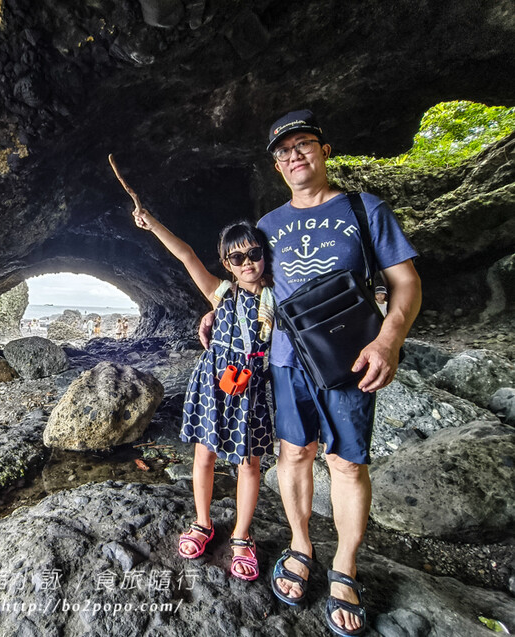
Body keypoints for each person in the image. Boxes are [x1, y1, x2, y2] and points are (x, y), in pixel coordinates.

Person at [201, 110, 421, 635]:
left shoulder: (365, 210)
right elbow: (249, 277)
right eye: (283, 151)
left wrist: (389, 340)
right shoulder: (270, 226)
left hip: (350, 355)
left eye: (303, 144)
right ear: (277, 167)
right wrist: (217, 307)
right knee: (293, 453)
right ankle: (302, 545)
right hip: (285, 357)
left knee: (346, 462)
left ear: (324, 151)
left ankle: (344, 566)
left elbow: (406, 283)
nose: (294, 155)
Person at [134, 205, 276, 582]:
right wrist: (153, 223)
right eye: (237, 257)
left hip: (251, 388)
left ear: (265, 254)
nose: (248, 262)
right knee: (204, 456)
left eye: (254, 253)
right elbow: (186, 255)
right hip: (213, 383)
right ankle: (202, 523)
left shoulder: (278, 298)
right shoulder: (221, 294)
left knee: (248, 464)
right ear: (227, 263)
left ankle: (243, 537)